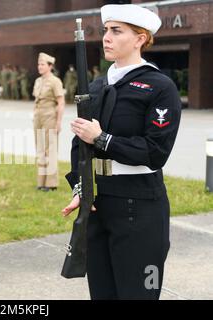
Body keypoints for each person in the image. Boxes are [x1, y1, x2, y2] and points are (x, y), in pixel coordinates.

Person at [62, 4, 181, 300]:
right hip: (100, 203)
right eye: (105, 31)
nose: (106, 38)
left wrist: (102, 138)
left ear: (140, 38)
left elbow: (155, 151)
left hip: (139, 205)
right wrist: (80, 185)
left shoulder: (159, 87)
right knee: (102, 293)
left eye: (117, 31)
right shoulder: (98, 86)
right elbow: (80, 146)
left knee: (139, 293)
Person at [32, 53, 65, 192]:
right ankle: (41, 181)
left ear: (50, 66)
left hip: (50, 116)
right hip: (38, 116)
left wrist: (58, 122)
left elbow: (61, 102)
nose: (40, 67)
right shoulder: (38, 81)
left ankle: (51, 183)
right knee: (40, 148)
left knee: (50, 149)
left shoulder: (55, 81)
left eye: (43, 64)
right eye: (39, 64)